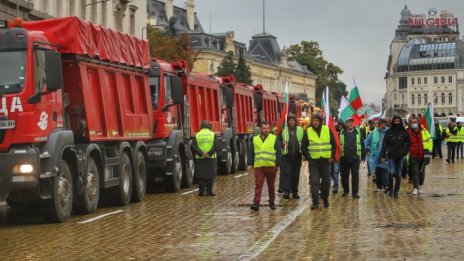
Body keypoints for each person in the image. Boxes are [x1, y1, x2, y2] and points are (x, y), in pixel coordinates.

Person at [301, 113, 337, 210]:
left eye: (317, 120)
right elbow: (303, 147)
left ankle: (325, 198)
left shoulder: (327, 130)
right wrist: (308, 158)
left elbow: (334, 144)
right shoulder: (308, 131)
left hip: (326, 162)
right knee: (314, 182)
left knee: (326, 182)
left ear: (320, 121)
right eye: (314, 120)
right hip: (314, 163)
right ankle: (315, 202)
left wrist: (332, 156)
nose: (315, 122)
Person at [248, 122, 282, 211]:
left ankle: (272, 202)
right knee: (258, 184)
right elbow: (251, 152)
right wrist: (249, 164)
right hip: (259, 166)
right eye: (264, 128)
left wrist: (277, 164)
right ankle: (256, 203)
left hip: (271, 166)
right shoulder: (255, 139)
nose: (266, 130)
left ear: (269, 129)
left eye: (267, 128)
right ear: (261, 129)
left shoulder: (274, 138)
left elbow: (278, 152)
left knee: (271, 185)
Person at [380, 115, 411, 198]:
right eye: (395, 121)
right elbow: (384, 144)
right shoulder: (389, 132)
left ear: (400, 122)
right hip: (391, 155)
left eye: (398, 121)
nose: (396, 123)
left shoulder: (404, 131)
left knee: (399, 174)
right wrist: (382, 155)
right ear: (393, 122)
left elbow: (408, 143)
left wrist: (406, 152)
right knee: (391, 173)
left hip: (401, 156)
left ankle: (396, 191)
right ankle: (391, 190)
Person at [279, 113, 304, 199]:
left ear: (295, 121)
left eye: (293, 120)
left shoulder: (300, 130)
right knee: (287, 174)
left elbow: (304, 142)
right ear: (288, 121)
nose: (291, 122)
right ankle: (286, 191)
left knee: (296, 175)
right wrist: (281, 143)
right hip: (286, 156)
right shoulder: (284, 130)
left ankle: (295, 191)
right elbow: (277, 142)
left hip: (297, 156)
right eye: (290, 120)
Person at [339, 117, 365, 198]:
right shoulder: (342, 132)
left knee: (355, 176)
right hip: (344, 158)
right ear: (346, 124)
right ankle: (346, 190)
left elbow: (362, 144)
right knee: (344, 176)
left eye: (352, 122)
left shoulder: (358, 132)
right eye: (349, 122)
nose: (351, 124)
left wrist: (363, 156)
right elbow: (338, 144)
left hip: (355, 158)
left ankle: (355, 193)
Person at [192, 121, 219, 196]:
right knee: (210, 174)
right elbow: (216, 146)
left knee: (201, 174)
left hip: (200, 158)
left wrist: (201, 153)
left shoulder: (197, 135)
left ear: (201, 127)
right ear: (209, 127)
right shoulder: (213, 134)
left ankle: (201, 191)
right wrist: (209, 154)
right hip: (211, 158)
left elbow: (193, 146)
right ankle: (209, 191)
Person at [407, 117, 432, 195]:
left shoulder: (424, 131)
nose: (414, 123)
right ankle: (415, 188)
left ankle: (420, 186)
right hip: (413, 155)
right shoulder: (408, 132)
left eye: (415, 122)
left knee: (421, 172)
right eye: (412, 122)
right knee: (415, 172)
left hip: (423, 155)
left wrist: (428, 153)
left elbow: (429, 141)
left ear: (418, 123)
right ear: (410, 124)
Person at [365, 119, 389, 192]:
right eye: (380, 124)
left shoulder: (388, 132)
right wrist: (368, 150)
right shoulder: (373, 133)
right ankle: (379, 187)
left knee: (385, 170)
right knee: (378, 171)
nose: (382, 125)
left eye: (383, 123)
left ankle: (386, 186)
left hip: (386, 154)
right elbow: (367, 142)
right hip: (376, 155)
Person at [331, 119, 344, 193]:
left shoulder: (344, 133)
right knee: (335, 171)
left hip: (343, 154)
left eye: (341, 125)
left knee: (342, 172)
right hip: (335, 155)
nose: (340, 126)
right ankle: (335, 186)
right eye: (338, 125)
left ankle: (343, 184)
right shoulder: (333, 132)